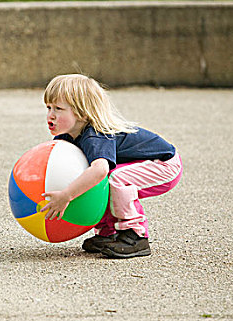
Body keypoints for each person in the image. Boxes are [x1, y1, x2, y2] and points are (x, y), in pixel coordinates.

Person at [40, 74, 182, 258]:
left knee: (114, 178)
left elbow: (100, 170)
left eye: (58, 108)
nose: (50, 115)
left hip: (164, 164)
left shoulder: (95, 134)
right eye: (48, 107)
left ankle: (135, 235)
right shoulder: (66, 137)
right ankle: (109, 232)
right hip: (146, 163)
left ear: (83, 113)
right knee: (94, 179)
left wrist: (67, 195)